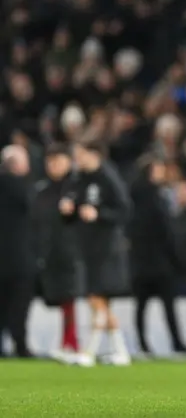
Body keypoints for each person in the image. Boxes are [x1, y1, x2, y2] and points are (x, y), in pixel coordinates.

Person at [73, 139, 133, 367]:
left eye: (80, 154)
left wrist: (99, 214)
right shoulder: (81, 179)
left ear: (94, 154)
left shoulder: (109, 177)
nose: (77, 159)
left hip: (107, 249)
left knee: (97, 298)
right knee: (100, 302)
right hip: (89, 247)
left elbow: (125, 210)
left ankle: (90, 351)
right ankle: (121, 352)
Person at [129, 154, 186, 356]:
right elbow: (166, 232)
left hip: (143, 261)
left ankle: (144, 344)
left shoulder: (138, 197)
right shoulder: (155, 198)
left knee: (142, 306)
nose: (161, 173)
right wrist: (177, 259)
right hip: (157, 261)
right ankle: (175, 342)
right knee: (165, 305)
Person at [31, 143, 84, 363]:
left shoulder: (78, 188)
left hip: (71, 253)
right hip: (46, 253)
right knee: (54, 298)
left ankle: (71, 343)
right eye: (50, 161)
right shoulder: (41, 191)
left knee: (68, 298)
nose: (54, 166)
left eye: (58, 161)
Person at [0, 145, 34, 358]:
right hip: (20, 257)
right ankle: (20, 345)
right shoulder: (22, 188)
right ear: (18, 164)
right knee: (20, 305)